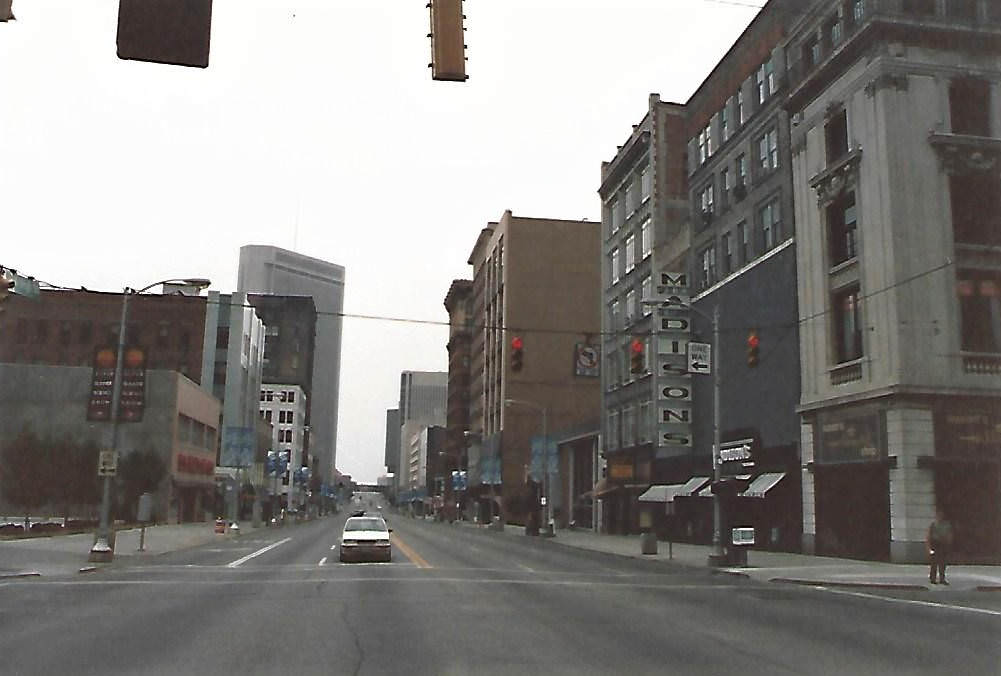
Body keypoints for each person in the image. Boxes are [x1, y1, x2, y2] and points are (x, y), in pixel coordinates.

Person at [926, 509, 954, 585]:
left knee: (943, 563)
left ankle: (942, 578)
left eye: (941, 516)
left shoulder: (946, 525)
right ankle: (933, 578)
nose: (940, 517)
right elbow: (928, 536)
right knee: (934, 563)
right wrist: (929, 548)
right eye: (938, 516)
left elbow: (949, 535)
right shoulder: (933, 525)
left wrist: (948, 543)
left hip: (943, 544)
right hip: (935, 544)